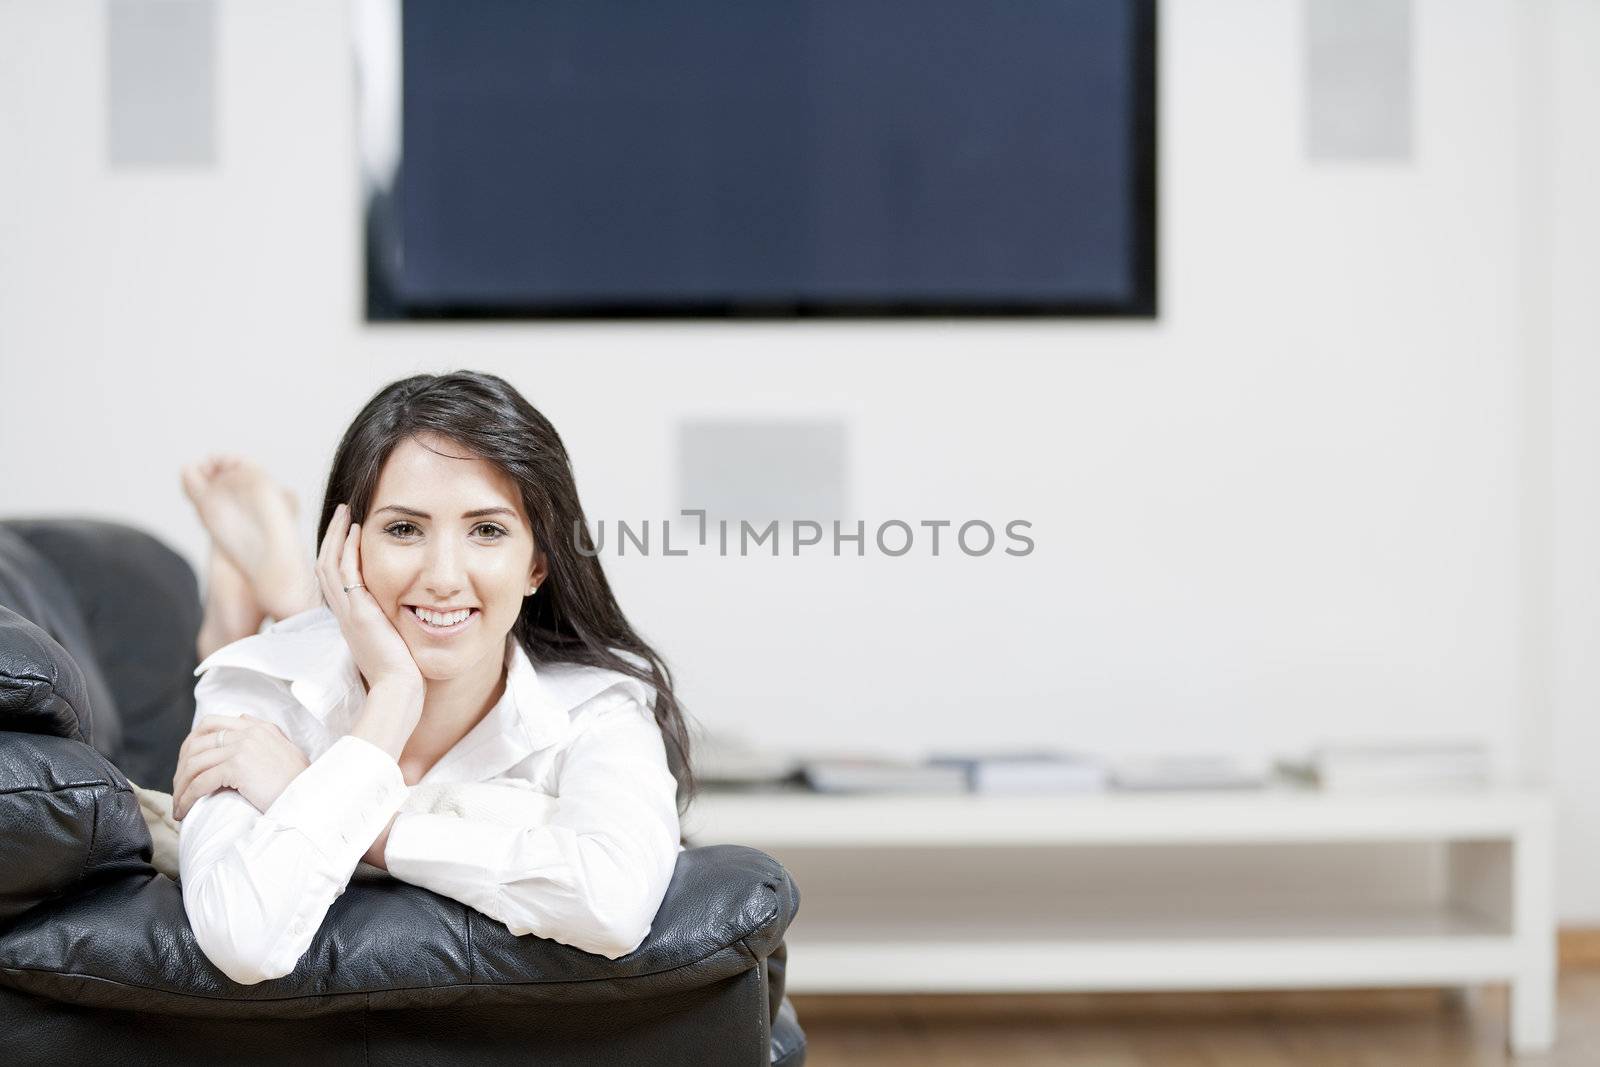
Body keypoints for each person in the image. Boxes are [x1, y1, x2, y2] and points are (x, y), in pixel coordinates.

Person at [170, 370, 696, 986]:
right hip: (294, 651)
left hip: (352, 635)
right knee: (268, 649)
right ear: (348, 550)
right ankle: (260, 612)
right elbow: (244, 941)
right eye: (403, 529)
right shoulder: (257, 686)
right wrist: (393, 693)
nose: (445, 574)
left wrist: (345, 812)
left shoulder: (598, 707)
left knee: (339, 628)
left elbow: (611, 906)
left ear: (537, 565)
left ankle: (280, 592)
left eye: (488, 530)